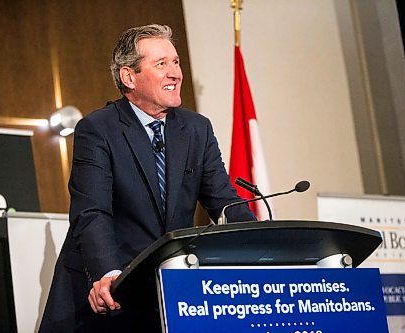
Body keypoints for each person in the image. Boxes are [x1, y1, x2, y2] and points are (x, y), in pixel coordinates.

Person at [39, 23, 255, 332]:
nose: (175, 73)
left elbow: (224, 202)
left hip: (170, 287)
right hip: (108, 289)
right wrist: (108, 274)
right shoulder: (98, 129)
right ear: (129, 76)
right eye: (161, 63)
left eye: (176, 62)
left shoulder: (196, 129)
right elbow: (92, 212)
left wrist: (260, 246)